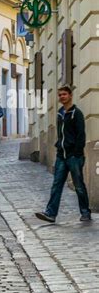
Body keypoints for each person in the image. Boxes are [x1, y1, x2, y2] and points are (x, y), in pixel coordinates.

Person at [35, 85, 92, 224]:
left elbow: (81, 135)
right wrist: (59, 149)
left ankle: (85, 212)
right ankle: (50, 213)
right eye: (60, 95)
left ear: (70, 96)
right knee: (56, 184)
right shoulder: (60, 113)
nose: (62, 97)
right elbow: (61, 135)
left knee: (79, 185)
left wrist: (77, 153)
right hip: (62, 156)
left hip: (73, 156)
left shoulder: (76, 113)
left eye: (64, 94)